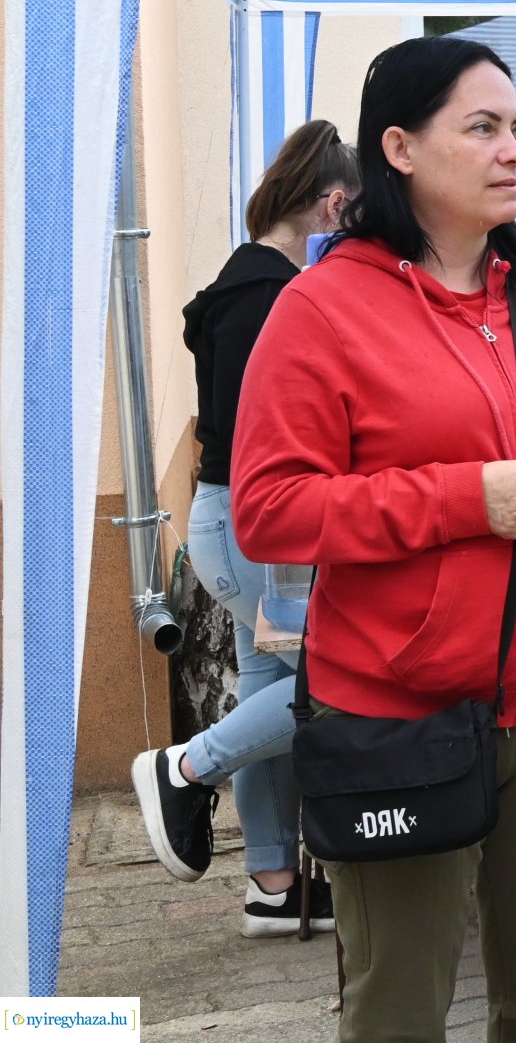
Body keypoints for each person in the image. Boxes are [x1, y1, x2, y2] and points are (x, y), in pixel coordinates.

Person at [229, 36, 516, 1041]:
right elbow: (271, 507)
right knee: (398, 1011)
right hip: (398, 712)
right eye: (483, 128)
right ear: (402, 147)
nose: (514, 153)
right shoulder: (322, 306)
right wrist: (466, 498)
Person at [131, 118, 356, 935]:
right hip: (254, 525)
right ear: (333, 203)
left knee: (270, 688)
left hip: (234, 519)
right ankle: (184, 767)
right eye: (355, 214)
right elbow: (264, 428)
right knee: (330, 680)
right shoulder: (271, 295)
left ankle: (272, 885)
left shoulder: (243, 279)